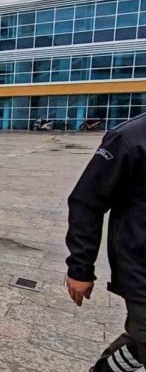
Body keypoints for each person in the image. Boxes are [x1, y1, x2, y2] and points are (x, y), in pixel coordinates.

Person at [65, 114, 146, 372]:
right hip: (140, 271)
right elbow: (86, 202)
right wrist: (80, 268)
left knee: (140, 342)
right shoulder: (129, 139)